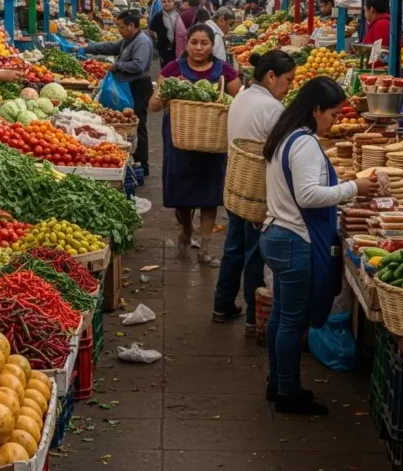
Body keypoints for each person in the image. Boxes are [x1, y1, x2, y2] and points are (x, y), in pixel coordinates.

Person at [261, 76, 379, 414]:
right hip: (293, 240)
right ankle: (288, 393)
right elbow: (308, 196)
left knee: (281, 315)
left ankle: (278, 382)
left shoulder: (286, 135)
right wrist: (354, 188)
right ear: (315, 110)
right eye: (333, 114)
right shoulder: (305, 144)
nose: (335, 121)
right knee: (291, 321)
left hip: (277, 235)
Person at [213, 50, 295, 333]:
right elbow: (283, 153)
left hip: (238, 185)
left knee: (234, 247)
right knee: (254, 254)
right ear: (271, 76)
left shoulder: (243, 96)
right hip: (258, 190)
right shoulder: (273, 108)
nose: (290, 86)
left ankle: (222, 304)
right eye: (288, 80)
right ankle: (253, 317)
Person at [149, 24, 242, 266]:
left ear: (213, 45)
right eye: (194, 42)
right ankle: (187, 229)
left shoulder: (225, 71)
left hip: (212, 142)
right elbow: (153, 105)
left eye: (204, 43)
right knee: (182, 193)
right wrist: (169, 90)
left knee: (210, 194)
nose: (199, 48)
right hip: (180, 141)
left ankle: (205, 249)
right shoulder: (172, 69)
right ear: (186, 43)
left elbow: (240, 102)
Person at [81, 10, 154, 175]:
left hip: (139, 87)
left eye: (121, 27)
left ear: (131, 26)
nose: (119, 30)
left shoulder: (142, 41)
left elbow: (138, 65)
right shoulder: (128, 40)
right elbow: (111, 47)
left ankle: (143, 164)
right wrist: (87, 48)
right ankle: (131, 158)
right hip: (128, 86)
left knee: (138, 125)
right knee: (130, 124)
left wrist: (116, 66)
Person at [148, 0, 179, 68]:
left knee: (177, 68)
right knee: (166, 68)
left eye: (169, 1)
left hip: (177, 48)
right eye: (164, 2)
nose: (166, 3)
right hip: (164, 49)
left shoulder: (178, 16)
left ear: (173, 2)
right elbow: (151, 31)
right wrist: (158, 40)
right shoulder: (157, 17)